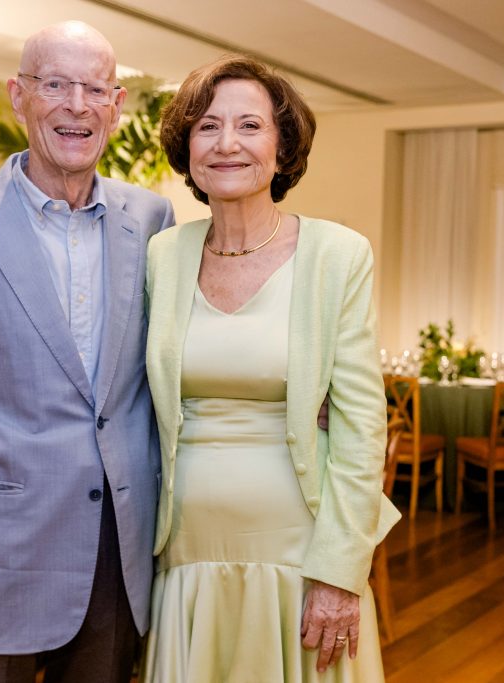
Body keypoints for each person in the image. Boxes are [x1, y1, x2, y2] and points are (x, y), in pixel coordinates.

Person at [0, 21, 174, 683]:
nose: (77, 105)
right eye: (55, 85)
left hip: (115, 553)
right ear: (18, 97)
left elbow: (168, 370)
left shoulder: (152, 221)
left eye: (95, 89)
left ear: (117, 105)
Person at [141, 55, 400, 682]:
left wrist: (340, 571)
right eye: (207, 126)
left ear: (283, 150)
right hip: (185, 552)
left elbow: (363, 429)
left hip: (301, 553)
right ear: (187, 150)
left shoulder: (338, 255)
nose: (226, 143)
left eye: (250, 126)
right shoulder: (162, 254)